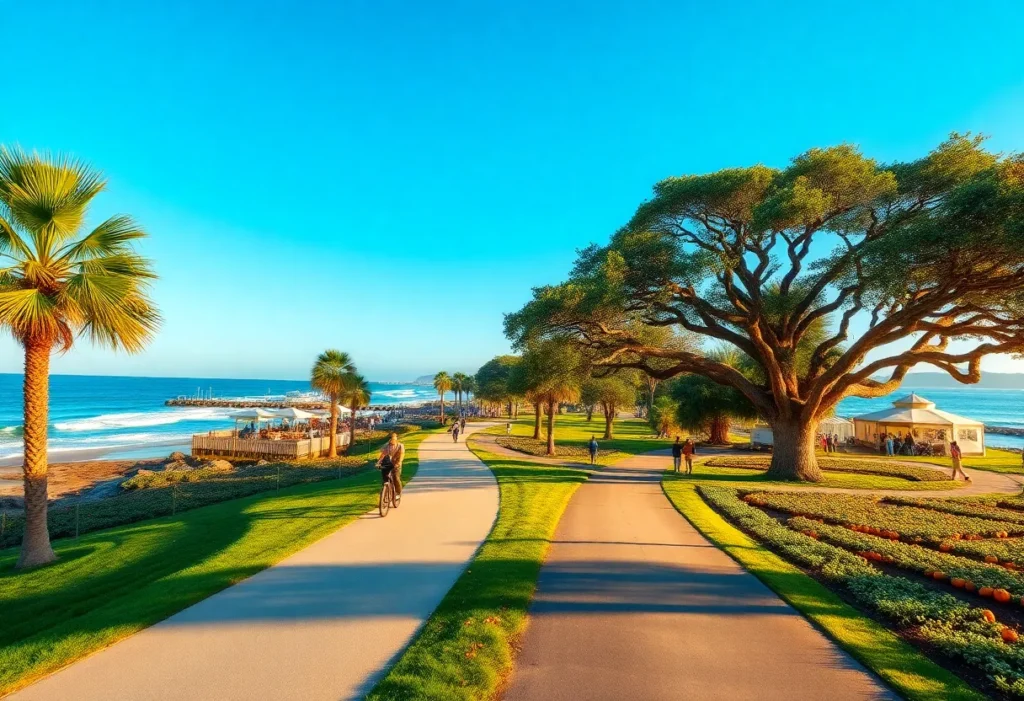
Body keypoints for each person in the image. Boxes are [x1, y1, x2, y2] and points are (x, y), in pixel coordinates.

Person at [376, 432, 406, 497]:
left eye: (394, 439)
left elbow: (402, 455)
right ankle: (384, 493)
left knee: (396, 478)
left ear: (396, 439)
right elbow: (383, 454)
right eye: (391, 439)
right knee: (385, 479)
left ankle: (398, 493)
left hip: (396, 464)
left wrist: (399, 462)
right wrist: (378, 462)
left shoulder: (400, 446)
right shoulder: (387, 446)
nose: (392, 440)